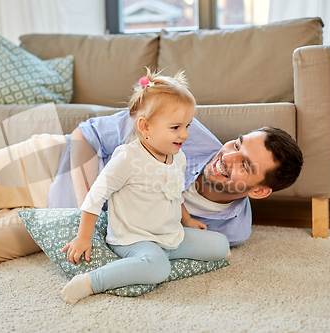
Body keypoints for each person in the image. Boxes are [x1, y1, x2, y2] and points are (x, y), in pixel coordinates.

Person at [0, 76, 303, 266]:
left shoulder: (232, 230)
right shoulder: (183, 129)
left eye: (244, 164)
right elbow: (85, 133)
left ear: (258, 191)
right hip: (50, 168)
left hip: (66, 223)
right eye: (237, 143)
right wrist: (75, 206)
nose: (227, 157)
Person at [60, 70, 230, 304]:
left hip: (169, 234)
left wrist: (187, 220)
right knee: (158, 269)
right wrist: (83, 237)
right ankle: (91, 281)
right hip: (134, 237)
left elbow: (174, 194)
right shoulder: (128, 158)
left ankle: (159, 256)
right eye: (175, 127)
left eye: (187, 126)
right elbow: (96, 195)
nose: (185, 134)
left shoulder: (177, 157)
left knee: (220, 245)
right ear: (145, 126)